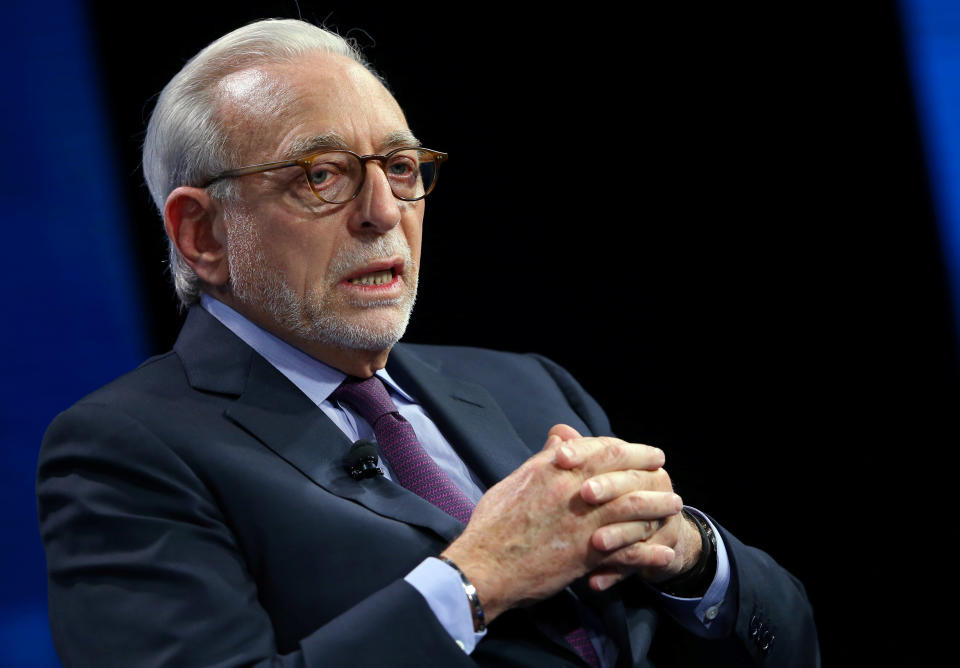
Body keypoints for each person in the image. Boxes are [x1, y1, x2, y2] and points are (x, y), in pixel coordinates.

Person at [37, 18, 818, 667]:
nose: (385, 210)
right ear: (201, 233)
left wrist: (692, 556)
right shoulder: (128, 450)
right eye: (321, 175)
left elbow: (793, 645)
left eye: (402, 166)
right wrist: (477, 580)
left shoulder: (531, 389)